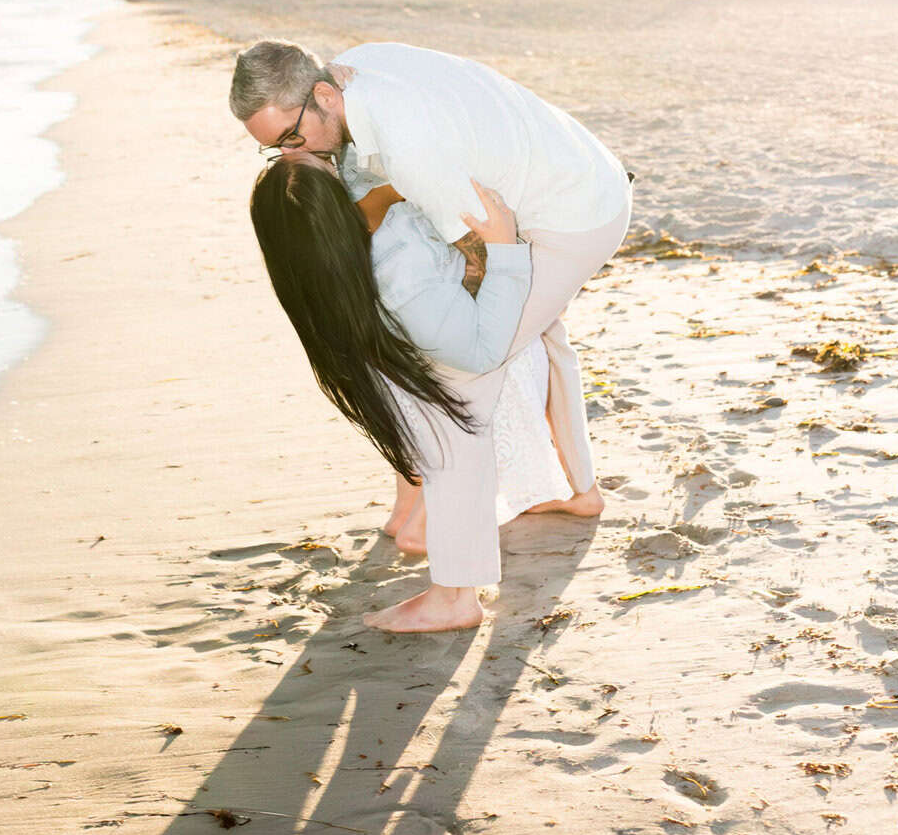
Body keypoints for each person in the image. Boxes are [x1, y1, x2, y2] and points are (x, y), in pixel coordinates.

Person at [232, 38, 633, 632]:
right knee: (541, 333)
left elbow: (475, 290)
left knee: (459, 390)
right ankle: (578, 490)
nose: (291, 154)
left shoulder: (406, 142)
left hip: (570, 215)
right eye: (272, 150)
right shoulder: (351, 74)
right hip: (576, 169)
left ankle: (454, 593)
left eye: (293, 139)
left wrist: (414, 314)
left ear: (321, 95)